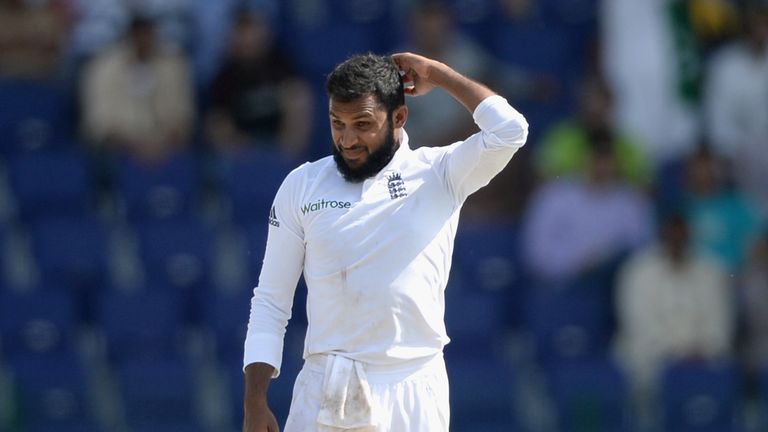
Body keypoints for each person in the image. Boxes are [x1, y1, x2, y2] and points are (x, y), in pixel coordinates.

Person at [242, 52, 528, 431]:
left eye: (363, 124)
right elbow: (271, 301)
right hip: (325, 383)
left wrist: (438, 75)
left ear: (398, 118)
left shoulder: (438, 173)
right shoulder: (302, 185)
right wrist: (254, 401)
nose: (347, 139)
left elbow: (510, 130)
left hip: (412, 389)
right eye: (337, 124)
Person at [80, 14, 194, 165]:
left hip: (166, 150)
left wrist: (161, 145)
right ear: (129, 37)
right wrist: (135, 146)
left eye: (148, 35)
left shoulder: (173, 65)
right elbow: (98, 124)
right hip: (117, 151)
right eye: (139, 36)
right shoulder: (104, 67)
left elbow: (184, 119)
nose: (144, 41)